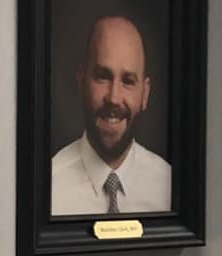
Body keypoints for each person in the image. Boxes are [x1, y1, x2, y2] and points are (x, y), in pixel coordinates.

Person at [50, 12, 173, 215]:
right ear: (81, 83)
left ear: (144, 94)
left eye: (128, 81)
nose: (114, 98)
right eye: (102, 77)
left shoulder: (168, 187)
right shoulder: (50, 186)